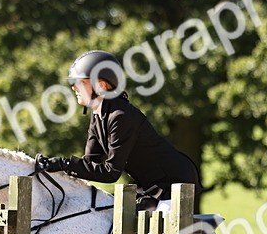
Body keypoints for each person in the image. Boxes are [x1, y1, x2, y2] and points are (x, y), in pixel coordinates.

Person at [36, 50, 201, 210]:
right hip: (149, 186)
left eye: (81, 82)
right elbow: (90, 163)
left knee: (148, 231)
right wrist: (55, 167)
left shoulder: (121, 116)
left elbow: (111, 173)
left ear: (101, 85)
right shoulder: (99, 115)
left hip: (175, 185)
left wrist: (64, 163)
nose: (74, 88)